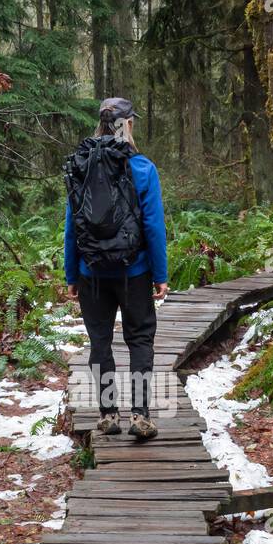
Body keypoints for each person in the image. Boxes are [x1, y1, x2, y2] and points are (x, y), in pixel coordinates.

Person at [64, 96, 168, 440]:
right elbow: (153, 226)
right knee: (139, 339)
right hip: (134, 271)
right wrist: (160, 274)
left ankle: (108, 413)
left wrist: (71, 273)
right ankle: (140, 414)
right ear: (128, 125)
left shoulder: (81, 164)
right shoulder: (143, 168)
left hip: (91, 272)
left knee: (100, 342)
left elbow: (71, 224)